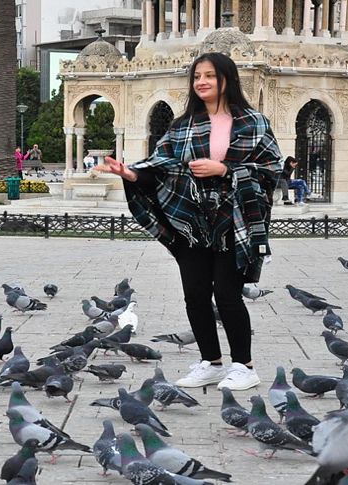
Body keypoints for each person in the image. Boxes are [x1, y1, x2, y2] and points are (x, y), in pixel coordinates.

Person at [95, 52, 281, 391]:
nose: (202, 82)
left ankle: (244, 365)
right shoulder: (182, 126)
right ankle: (210, 362)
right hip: (191, 224)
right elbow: (163, 170)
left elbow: (272, 171)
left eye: (209, 75)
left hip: (233, 222)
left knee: (228, 295)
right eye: (197, 76)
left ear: (228, 79)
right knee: (194, 295)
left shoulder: (253, 122)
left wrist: (225, 170)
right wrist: (131, 173)